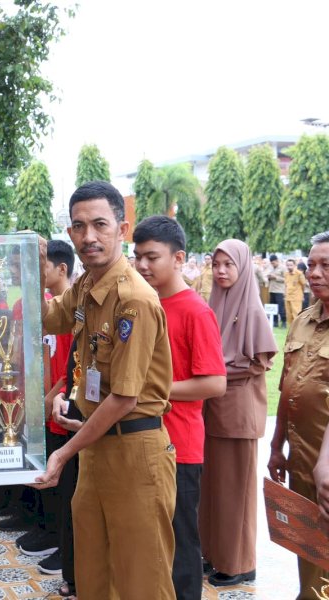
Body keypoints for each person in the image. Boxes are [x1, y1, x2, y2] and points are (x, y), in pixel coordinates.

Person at [34, 180, 177, 600]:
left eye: (100, 224)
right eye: (78, 226)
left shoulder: (134, 299)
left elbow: (124, 398)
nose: (88, 237)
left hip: (135, 454)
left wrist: (62, 452)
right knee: (93, 579)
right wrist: (30, 264)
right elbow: (48, 319)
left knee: (140, 584)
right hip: (95, 451)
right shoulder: (85, 286)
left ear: (123, 228)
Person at [133, 216, 227, 600]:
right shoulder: (144, 303)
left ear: (179, 258)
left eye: (152, 257)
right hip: (140, 440)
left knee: (179, 544)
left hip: (179, 448)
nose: (142, 265)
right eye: (138, 256)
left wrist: (153, 391)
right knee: (148, 543)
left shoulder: (194, 310)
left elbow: (214, 383)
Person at [199, 239, 277, 587]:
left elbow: (258, 362)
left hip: (237, 413)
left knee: (235, 494)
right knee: (213, 489)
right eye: (216, 264)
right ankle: (215, 554)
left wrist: (215, 372)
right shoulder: (214, 304)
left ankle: (240, 564)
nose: (221, 271)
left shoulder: (252, 309)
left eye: (229, 264)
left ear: (243, 267)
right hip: (212, 408)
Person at [269, 231, 329, 599]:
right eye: (312, 265)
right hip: (301, 459)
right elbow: (286, 389)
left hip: (327, 463)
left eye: (327, 266)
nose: (316, 273)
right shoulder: (302, 321)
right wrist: (276, 447)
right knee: (309, 546)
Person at [20, 239, 77, 594]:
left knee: (66, 483)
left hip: (61, 404)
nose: (39, 275)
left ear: (61, 269)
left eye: (43, 268)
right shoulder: (52, 307)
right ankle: (48, 530)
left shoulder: (71, 310)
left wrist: (49, 397)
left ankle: (61, 542)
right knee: (47, 475)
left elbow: (71, 368)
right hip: (46, 400)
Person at [284, 258, 308, 328]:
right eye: (288, 265)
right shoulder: (286, 274)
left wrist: (301, 294)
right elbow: (286, 285)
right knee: (288, 315)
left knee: (296, 314)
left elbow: (303, 284)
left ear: (294, 265)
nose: (289, 267)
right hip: (288, 297)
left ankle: (297, 329)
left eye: (291, 265)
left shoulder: (299, 274)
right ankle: (291, 329)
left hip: (296, 297)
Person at [268, 253, 286, 327]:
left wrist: (276, 277)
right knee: (273, 307)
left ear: (277, 261)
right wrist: (269, 277)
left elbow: (286, 279)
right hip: (272, 290)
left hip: (279, 290)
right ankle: (275, 322)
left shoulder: (283, 268)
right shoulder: (271, 268)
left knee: (281, 307)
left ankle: (283, 322)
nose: (273, 264)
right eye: (271, 263)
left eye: (274, 263)